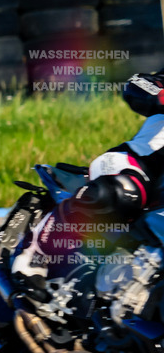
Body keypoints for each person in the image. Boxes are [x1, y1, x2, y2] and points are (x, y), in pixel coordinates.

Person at [11, 72, 163, 293]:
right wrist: (158, 91)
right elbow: (138, 83)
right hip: (133, 166)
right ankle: (36, 250)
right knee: (122, 192)